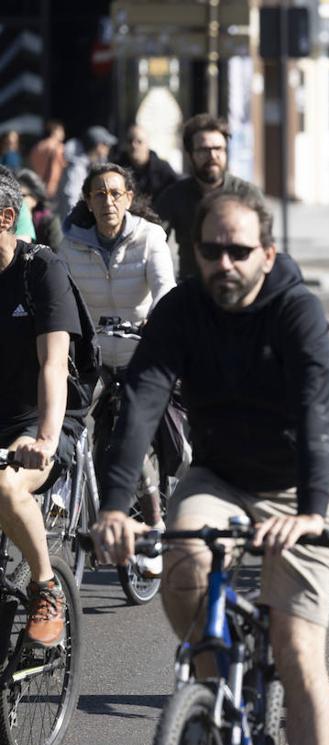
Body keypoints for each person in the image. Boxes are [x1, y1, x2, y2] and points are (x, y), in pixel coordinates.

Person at [92, 190, 329, 745]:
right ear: (196, 253)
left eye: (240, 251)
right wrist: (116, 508)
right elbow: (143, 401)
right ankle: (213, 700)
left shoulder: (296, 311)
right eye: (212, 251)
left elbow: (319, 415)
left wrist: (312, 513)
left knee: (296, 649)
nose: (225, 263)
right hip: (222, 478)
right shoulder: (181, 311)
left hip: (302, 489)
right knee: (182, 568)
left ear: (267, 253)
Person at [59, 163, 176, 539]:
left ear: (128, 198)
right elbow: (58, 298)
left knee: (132, 436)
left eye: (115, 193)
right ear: (88, 202)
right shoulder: (70, 244)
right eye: (99, 194)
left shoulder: (150, 237)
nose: (107, 201)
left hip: (136, 356)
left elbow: (165, 292)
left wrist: (155, 324)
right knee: (62, 423)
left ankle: (155, 523)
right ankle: (61, 501)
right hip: (91, 359)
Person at [0, 165, 85, 647]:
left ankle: (45, 586)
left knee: (7, 488)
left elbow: (53, 365)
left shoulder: (41, 270)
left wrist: (46, 440)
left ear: (5, 217)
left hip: (41, 421)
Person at [154, 113, 264, 282]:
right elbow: (153, 242)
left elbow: (264, 246)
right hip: (192, 291)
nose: (213, 156)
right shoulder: (174, 196)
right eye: (204, 150)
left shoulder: (247, 194)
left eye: (219, 149)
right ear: (190, 155)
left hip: (238, 287)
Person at [56, 126, 115, 219]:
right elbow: (71, 200)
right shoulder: (76, 169)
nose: (109, 148)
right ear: (99, 146)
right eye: (106, 144)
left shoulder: (96, 164)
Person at [113, 123, 179, 201]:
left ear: (147, 144)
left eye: (139, 141)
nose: (133, 145)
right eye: (130, 141)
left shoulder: (163, 169)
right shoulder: (117, 169)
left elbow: (176, 193)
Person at [16, 169, 63, 251]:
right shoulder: (7, 222)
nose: (16, 199)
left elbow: (58, 256)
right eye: (14, 195)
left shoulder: (49, 223)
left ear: (35, 198)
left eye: (22, 195)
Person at [28, 120, 66, 199]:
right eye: (62, 130)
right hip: (51, 188)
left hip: (36, 185)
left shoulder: (38, 147)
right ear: (55, 131)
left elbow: (31, 165)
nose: (63, 133)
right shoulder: (58, 147)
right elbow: (55, 169)